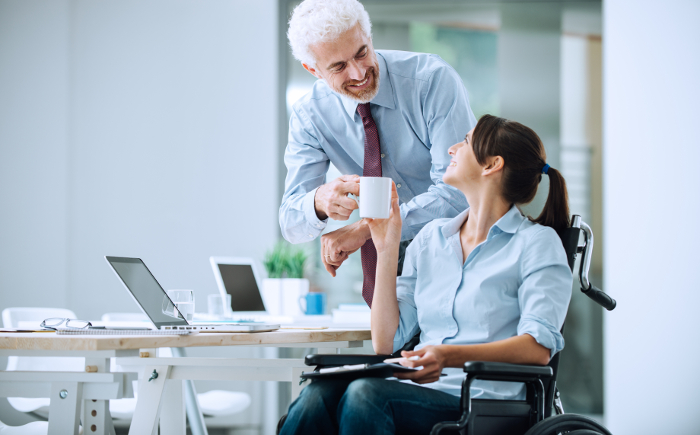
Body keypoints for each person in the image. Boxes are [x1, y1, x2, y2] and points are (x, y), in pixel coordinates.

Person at [279, 115, 573, 435]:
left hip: (484, 404)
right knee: (316, 395)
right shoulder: (431, 239)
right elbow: (386, 341)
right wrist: (387, 246)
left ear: (492, 165)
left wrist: (448, 356)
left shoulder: (537, 244)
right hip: (416, 392)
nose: (452, 149)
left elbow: (538, 348)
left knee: (366, 396)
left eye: (466, 141)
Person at [280, 0, 476, 306]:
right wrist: (318, 201)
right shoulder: (310, 116)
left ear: (369, 37)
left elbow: (460, 194)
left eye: (361, 52)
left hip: (459, 261)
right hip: (390, 281)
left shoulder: (431, 81)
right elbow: (291, 222)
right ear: (313, 70)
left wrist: (367, 229)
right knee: (389, 352)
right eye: (339, 66)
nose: (359, 72)